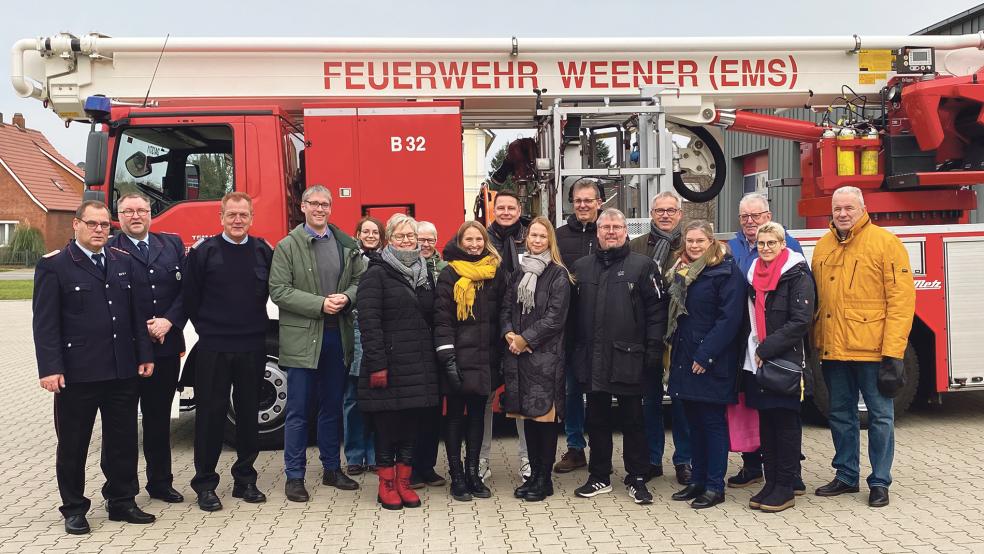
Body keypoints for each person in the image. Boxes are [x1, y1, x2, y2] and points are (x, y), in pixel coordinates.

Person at [33, 200, 156, 535]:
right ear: (76, 224)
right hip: (78, 373)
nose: (99, 230)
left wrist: (144, 355)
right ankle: (74, 508)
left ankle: (122, 501)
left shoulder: (122, 261)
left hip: (121, 369)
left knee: (123, 441)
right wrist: (50, 368)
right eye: (92, 224)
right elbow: (45, 324)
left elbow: (137, 314)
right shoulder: (55, 266)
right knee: (73, 444)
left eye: (105, 224)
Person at [812, 186, 915, 508]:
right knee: (840, 415)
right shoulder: (823, 245)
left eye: (849, 208)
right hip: (834, 350)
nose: (842, 214)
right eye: (837, 208)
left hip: (873, 351)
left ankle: (880, 481)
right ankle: (846, 475)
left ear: (863, 209)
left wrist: (893, 353)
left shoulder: (886, 243)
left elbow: (901, 302)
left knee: (881, 417)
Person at [268, 186, 365, 503]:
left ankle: (331, 469)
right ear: (303, 206)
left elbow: (360, 281)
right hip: (303, 339)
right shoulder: (287, 246)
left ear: (331, 208)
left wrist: (347, 297)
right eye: (314, 203)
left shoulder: (345, 245)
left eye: (325, 204)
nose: (320, 209)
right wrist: (320, 304)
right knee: (298, 411)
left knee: (332, 407)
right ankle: (294, 476)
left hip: (338, 336)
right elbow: (279, 291)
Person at [569, 208, 667, 505]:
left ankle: (637, 477)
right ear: (597, 232)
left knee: (633, 421)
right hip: (592, 358)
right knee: (596, 420)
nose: (611, 232)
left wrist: (653, 349)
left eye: (616, 227)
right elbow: (571, 316)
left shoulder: (643, 266)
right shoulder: (581, 268)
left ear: (626, 231)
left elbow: (657, 312)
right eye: (605, 227)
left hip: (629, 358)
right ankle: (599, 475)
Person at [184, 191, 273, 512]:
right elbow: (190, 297)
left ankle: (245, 479)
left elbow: (272, 290)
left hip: (252, 346)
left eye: (243, 215)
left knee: (249, 415)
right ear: (220, 217)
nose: (237, 220)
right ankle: (205, 484)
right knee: (210, 415)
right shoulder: (204, 252)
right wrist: (208, 330)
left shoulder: (263, 251)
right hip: (214, 347)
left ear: (251, 218)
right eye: (231, 215)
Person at [356, 214, 441, 510]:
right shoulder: (376, 273)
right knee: (386, 428)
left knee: (410, 426)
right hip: (389, 365)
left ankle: (404, 483)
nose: (406, 241)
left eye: (410, 236)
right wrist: (377, 364)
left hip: (418, 365)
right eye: (400, 236)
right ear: (389, 239)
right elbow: (369, 323)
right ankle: (386, 484)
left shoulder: (425, 272)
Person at [108, 193, 187, 504]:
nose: (136, 216)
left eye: (141, 210)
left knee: (158, 419)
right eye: (128, 211)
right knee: (122, 424)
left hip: (166, 348)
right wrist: (143, 329)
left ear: (151, 213)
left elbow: (187, 290)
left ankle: (161, 483)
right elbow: (110, 300)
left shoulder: (172, 244)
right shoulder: (109, 249)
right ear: (119, 216)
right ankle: (121, 489)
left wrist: (169, 321)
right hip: (126, 350)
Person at [725, 191, 805, 489]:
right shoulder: (731, 247)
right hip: (746, 344)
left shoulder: (791, 250)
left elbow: (798, 309)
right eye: (744, 216)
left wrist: (770, 345)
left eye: (756, 216)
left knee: (783, 415)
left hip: (778, 347)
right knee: (753, 409)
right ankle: (754, 467)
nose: (750, 221)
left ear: (768, 217)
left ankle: (791, 476)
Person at [667, 220, 746, 509]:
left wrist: (705, 355)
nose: (694, 245)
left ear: (711, 241)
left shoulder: (726, 272)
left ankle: (715, 486)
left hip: (711, 361)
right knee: (694, 424)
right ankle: (698, 480)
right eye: (690, 241)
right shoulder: (683, 271)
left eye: (700, 240)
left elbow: (729, 320)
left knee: (712, 424)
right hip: (684, 358)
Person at [742, 222, 815, 513]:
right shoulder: (753, 274)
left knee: (785, 426)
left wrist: (766, 348)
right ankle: (770, 482)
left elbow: (800, 321)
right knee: (767, 425)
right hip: (759, 361)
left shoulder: (798, 275)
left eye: (772, 242)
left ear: (783, 244)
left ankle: (786, 486)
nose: (766, 248)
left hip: (785, 362)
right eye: (761, 243)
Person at [500, 216, 572, 502]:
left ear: (550, 240)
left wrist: (524, 340)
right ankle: (533, 476)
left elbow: (555, 319)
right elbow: (506, 308)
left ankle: (544, 479)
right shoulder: (518, 272)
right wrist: (508, 334)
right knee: (529, 419)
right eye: (533, 236)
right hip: (519, 358)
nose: (537, 240)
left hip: (545, 358)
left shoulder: (558, 275)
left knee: (545, 420)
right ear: (526, 239)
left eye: (543, 236)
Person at [433, 221, 505, 502]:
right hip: (457, 358)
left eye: (479, 239)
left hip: (485, 358)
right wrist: (448, 358)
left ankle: (473, 473)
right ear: (460, 242)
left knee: (477, 417)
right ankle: (457, 477)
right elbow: (442, 320)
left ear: (485, 242)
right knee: (454, 418)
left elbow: (502, 314)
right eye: (469, 240)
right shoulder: (449, 274)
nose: (474, 245)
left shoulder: (494, 272)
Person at [628, 190, 693, 486]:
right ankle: (652, 459)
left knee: (681, 402)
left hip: (681, 334)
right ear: (651, 214)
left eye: (670, 210)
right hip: (647, 334)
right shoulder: (636, 246)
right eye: (659, 211)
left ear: (680, 214)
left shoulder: (692, 244)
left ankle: (684, 460)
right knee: (650, 401)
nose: (665, 215)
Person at [553, 178, 603, 474]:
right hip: (570, 327)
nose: (583, 205)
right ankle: (575, 448)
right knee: (571, 390)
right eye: (578, 200)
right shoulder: (559, 236)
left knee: (598, 392)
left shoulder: (608, 231)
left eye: (588, 200)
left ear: (599, 202)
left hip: (602, 326)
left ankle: (600, 449)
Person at [485, 190, 531, 481]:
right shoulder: (482, 238)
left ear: (519, 210)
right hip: (488, 328)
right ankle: (481, 460)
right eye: (500, 207)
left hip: (524, 328)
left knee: (522, 397)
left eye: (510, 208)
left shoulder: (531, 237)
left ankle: (527, 460)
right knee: (485, 396)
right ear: (493, 209)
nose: (505, 212)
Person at [408, 221, 448, 489]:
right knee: (413, 411)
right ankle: (410, 468)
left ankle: (428, 466)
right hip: (412, 348)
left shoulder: (444, 269)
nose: (425, 244)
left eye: (430, 240)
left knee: (434, 410)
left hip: (437, 347)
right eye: (421, 239)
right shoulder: (405, 268)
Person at [343, 216, 382, 476]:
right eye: (365, 231)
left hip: (377, 332)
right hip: (354, 330)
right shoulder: (349, 259)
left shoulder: (386, 260)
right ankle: (355, 455)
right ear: (357, 234)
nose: (370, 235)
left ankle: (375, 454)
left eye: (375, 232)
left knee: (378, 398)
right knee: (353, 398)